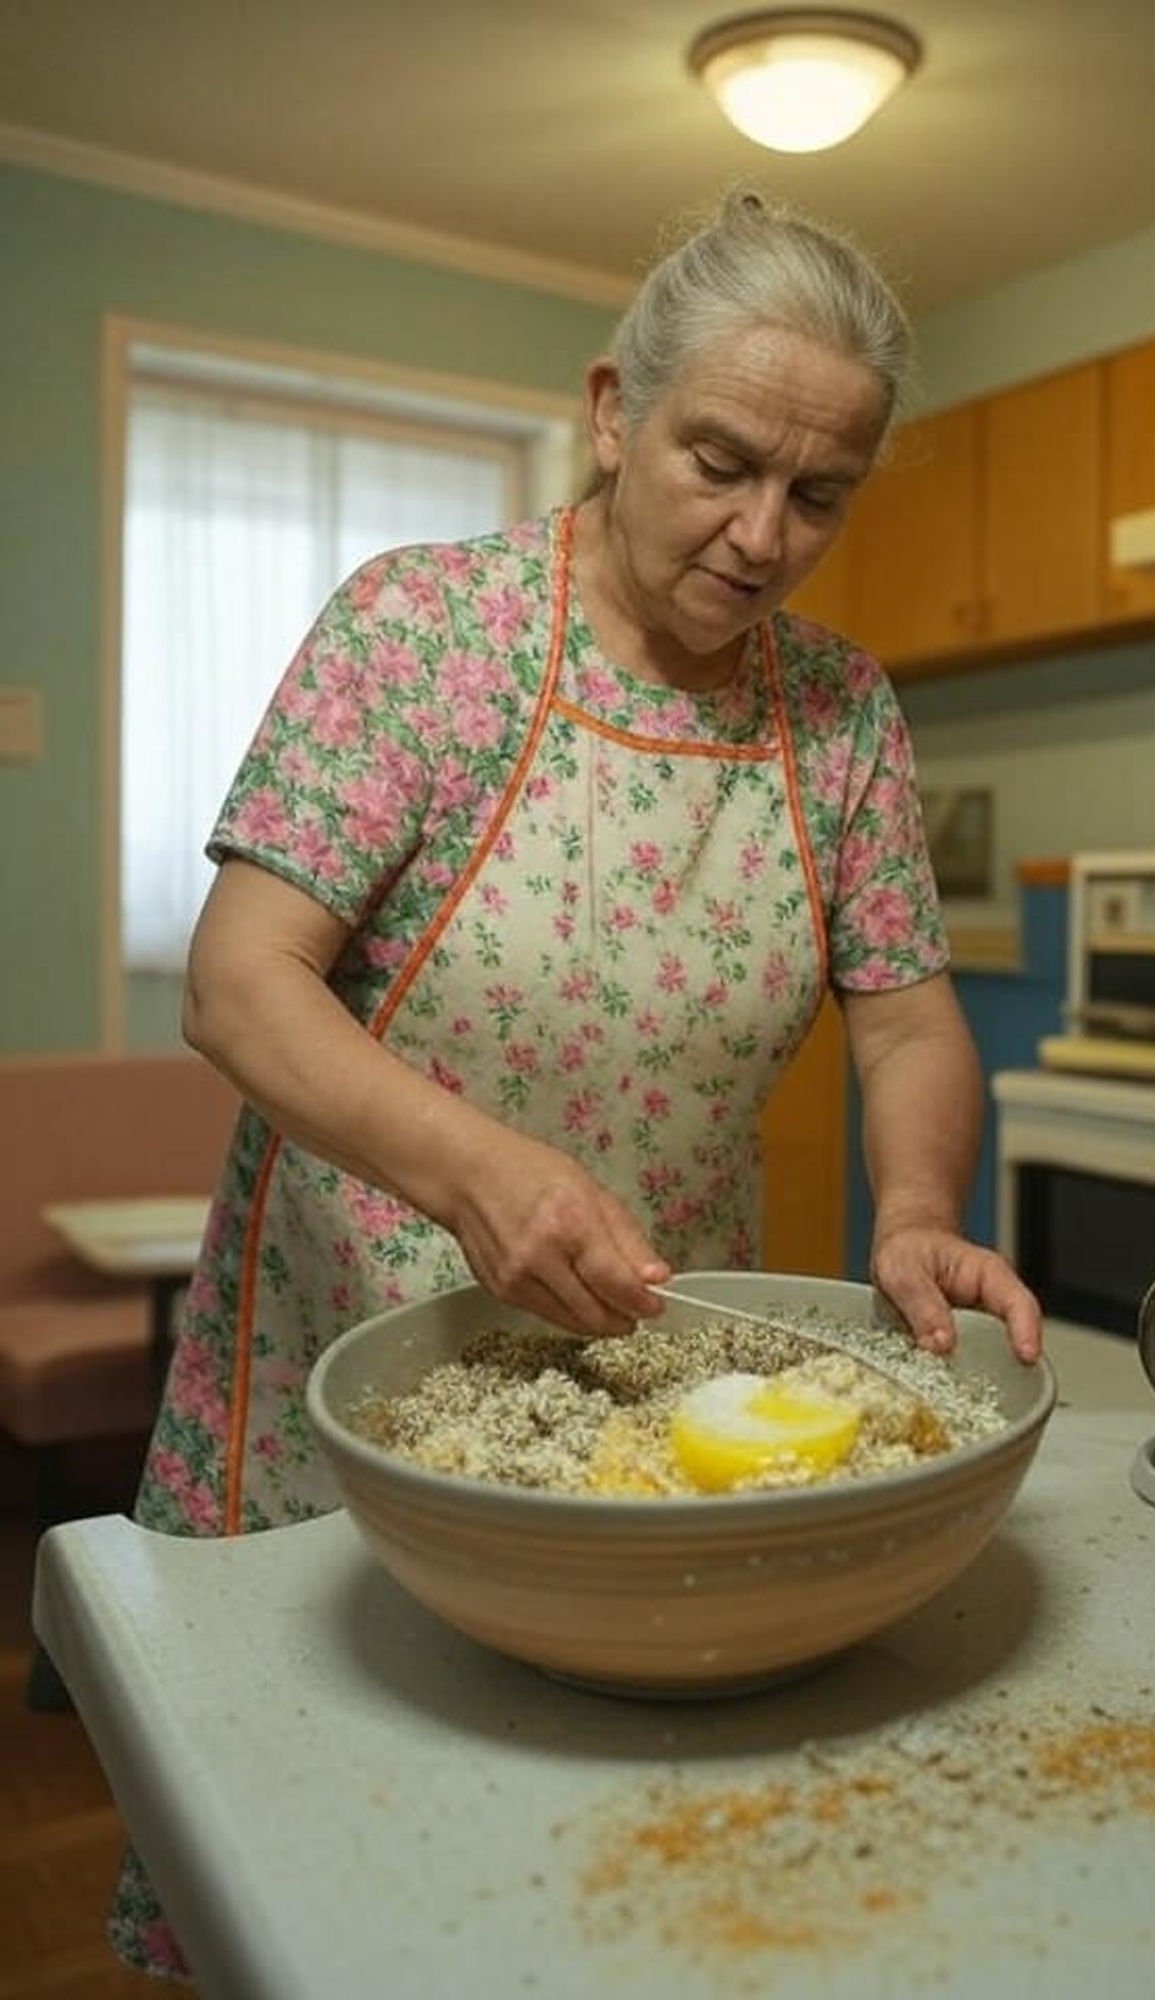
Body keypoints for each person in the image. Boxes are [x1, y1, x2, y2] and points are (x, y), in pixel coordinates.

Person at [108, 188, 1041, 1976]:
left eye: (821, 492)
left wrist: (915, 1213)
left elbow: (910, 1018)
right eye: (720, 460)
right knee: (328, 1882)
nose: (765, 533)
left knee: (614, 1890)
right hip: (357, 1363)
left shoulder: (841, 713)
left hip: (656, 1384)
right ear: (615, 411)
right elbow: (241, 988)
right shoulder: (422, 639)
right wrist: (477, 1176)